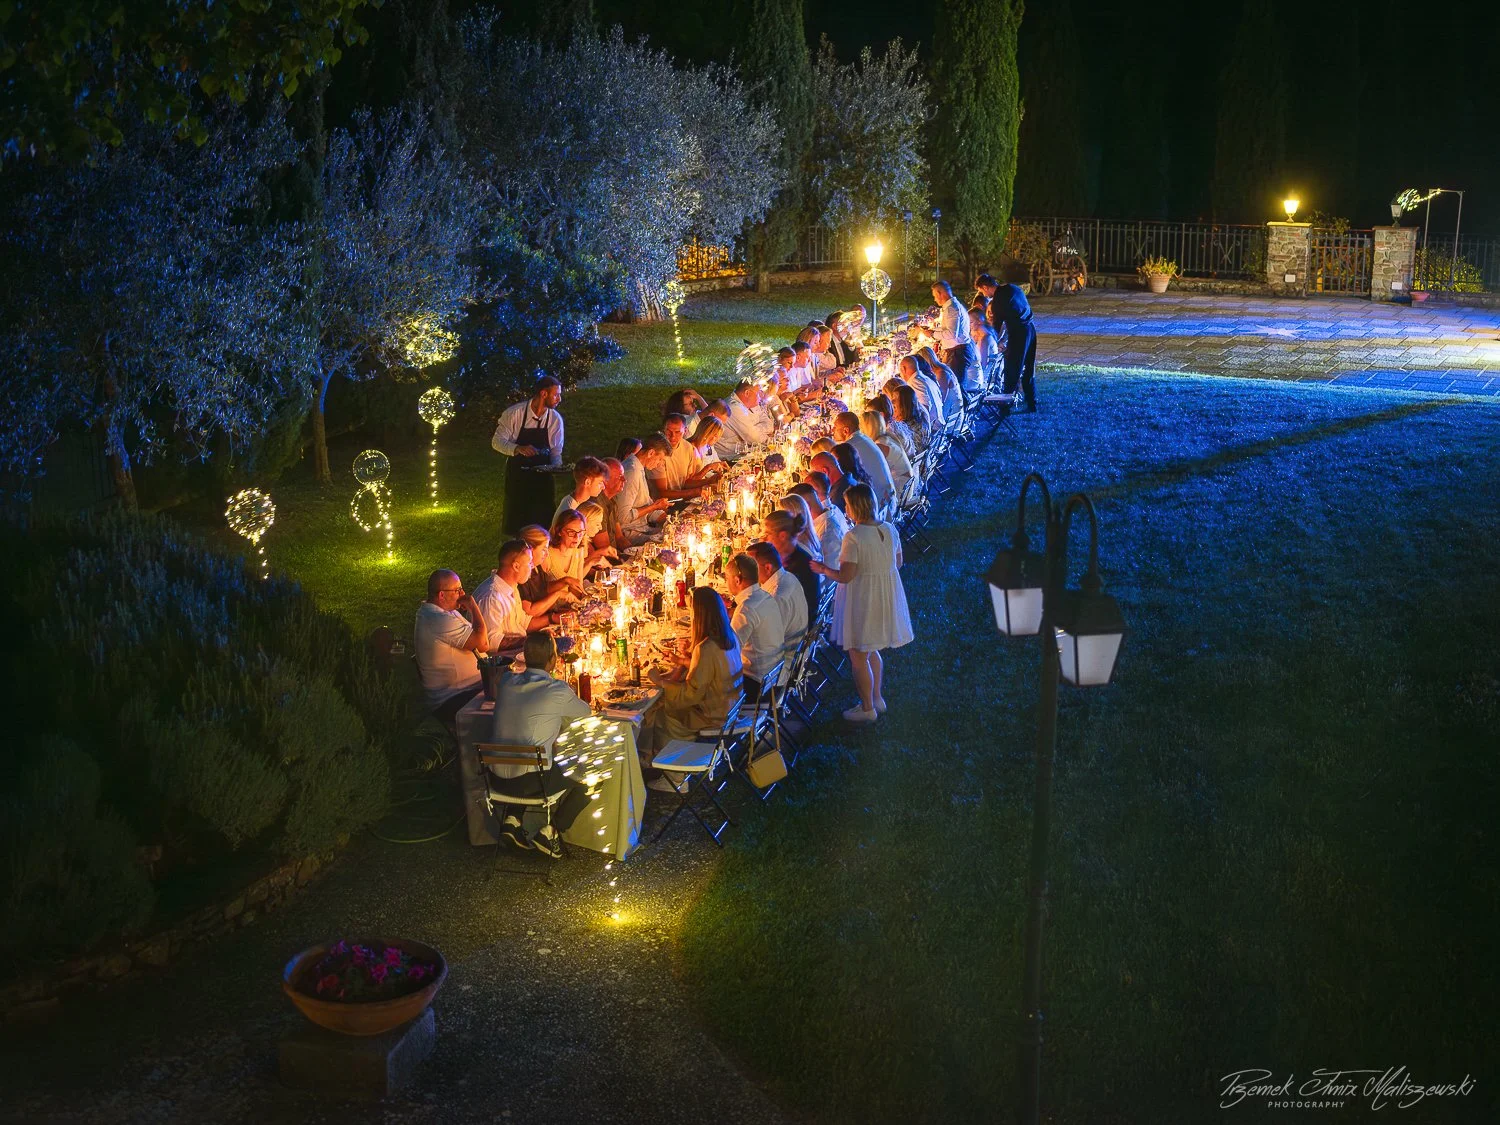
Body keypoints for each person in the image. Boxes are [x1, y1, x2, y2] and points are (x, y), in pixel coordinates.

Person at [809, 483, 913, 722]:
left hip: (863, 600)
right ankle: (877, 698)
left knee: (858, 655)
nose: (845, 509)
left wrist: (823, 569)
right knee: (871, 647)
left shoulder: (853, 537)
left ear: (856, 507)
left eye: (847, 505)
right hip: (884, 597)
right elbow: (898, 563)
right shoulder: (889, 528)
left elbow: (845, 576)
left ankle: (867, 708)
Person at [487, 632, 594, 858]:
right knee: (593, 771)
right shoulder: (557, 690)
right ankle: (551, 832)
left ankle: (512, 821)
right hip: (533, 784)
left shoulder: (506, 681)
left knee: (528, 755)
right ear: (553, 660)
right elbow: (585, 713)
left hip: (495, 779)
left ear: (524, 658)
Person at [644, 586, 744, 756]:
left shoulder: (706, 648)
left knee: (658, 709)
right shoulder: (729, 634)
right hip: (730, 706)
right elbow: (712, 671)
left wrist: (660, 681)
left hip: (713, 716)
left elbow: (691, 694)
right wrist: (683, 660)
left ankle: (670, 764)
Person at [492, 375, 565, 533]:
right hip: (518, 476)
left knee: (543, 522)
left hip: (543, 479)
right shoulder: (514, 414)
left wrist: (557, 467)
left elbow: (556, 451)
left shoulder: (555, 419)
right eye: (556, 395)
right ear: (543, 394)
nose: (559, 399)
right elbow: (497, 442)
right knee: (518, 522)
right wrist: (517, 448)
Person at [415, 569, 489, 723]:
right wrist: (473, 607)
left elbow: (476, 637)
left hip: (471, 687)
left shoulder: (447, 612)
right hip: (454, 697)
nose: (463, 594)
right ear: (441, 595)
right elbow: (483, 644)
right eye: (457, 590)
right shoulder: (437, 619)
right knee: (510, 698)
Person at [725, 552, 784, 697]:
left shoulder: (746, 609)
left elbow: (729, 653)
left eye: (726, 578)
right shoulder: (765, 596)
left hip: (756, 684)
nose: (726, 582)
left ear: (737, 580)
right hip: (774, 675)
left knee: (705, 682)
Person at [981, 275, 1038, 411]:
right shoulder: (1013, 288)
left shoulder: (998, 301)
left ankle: (1005, 406)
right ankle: (1032, 402)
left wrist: (990, 341)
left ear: (985, 287)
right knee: (1028, 368)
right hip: (1031, 328)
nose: (984, 295)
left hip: (1018, 334)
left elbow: (995, 327)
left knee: (1012, 369)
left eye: (982, 291)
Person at [472, 539, 534, 652]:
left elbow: (523, 623)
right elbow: (491, 641)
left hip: (519, 650)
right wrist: (533, 641)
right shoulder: (492, 597)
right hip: (504, 658)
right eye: (529, 563)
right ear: (516, 566)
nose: (533, 567)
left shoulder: (511, 586)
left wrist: (554, 619)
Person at [747, 540, 808, 655]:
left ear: (768, 568)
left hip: (784, 658)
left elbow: (766, 643)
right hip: (796, 646)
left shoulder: (776, 598)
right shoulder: (788, 576)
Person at [832, 410, 896, 517]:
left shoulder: (849, 448)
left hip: (877, 507)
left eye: (835, 428)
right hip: (888, 498)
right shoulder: (865, 438)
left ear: (846, 431)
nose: (832, 430)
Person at [765, 508, 823, 615]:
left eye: (768, 534)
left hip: (798, 620)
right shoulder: (789, 553)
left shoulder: (800, 566)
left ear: (782, 536)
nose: (765, 539)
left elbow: (779, 604)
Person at [650, 413, 718, 500]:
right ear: (663, 430)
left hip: (682, 498)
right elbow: (662, 493)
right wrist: (694, 492)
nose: (673, 437)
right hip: (662, 504)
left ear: (685, 431)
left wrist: (709, 480)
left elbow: (687, 483)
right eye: (668, 432)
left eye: (677, 432)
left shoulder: (688, 447)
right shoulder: (657, 452)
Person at [517, 524, 577, 620]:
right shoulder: (522, 575)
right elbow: (529, 612)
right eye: (543, 549)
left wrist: (565, 581)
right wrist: (557, 594)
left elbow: (544, 588)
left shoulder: (537, 566)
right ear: (530, 549)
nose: (546, 554)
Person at [616, 437, 671, 542]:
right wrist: (653, 507)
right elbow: (623, 517)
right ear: (651, 453)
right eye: (660, 459)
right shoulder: (632, 471)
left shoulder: (639, 468)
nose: (659, 464)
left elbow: (646, 506)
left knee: (677, 532)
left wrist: (670, 519)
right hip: (631, 533)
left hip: (644, 528)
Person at [791, 479, 850, 567]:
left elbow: (833, 569)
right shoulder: (827, 515)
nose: (793, 517)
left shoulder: (826, 531)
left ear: (806, 507)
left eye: (793, 511)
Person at [544, 508, 611, 585]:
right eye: (571, 532)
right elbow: (538, 590)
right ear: (559, 531)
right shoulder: (547, 555)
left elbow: (579, 585)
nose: (577, 537)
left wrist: (591, 562)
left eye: (581, 532)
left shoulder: (578, 551)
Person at [930, 280, 976, 389]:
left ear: (940, 293)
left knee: (957, 386)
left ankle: (962, 401)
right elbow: (949, 328)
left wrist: (932, 334)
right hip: (958, 351)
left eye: (935, 296)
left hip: (958, 353)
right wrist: (932, 330)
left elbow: (951, 333)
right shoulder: (953, 306)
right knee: (956, 384)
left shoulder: (952, 308)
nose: (935, 299)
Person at [861, 409, 913, 503]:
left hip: (900, 492)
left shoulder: (880, 446)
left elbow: (873, 472)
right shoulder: (886, 438)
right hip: (906, 486)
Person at [719, 380, 775, 460]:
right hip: (732, 459)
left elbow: (769, 424)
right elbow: (754, 438)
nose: (760, 396)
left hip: (748, 452)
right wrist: (770, 440)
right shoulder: (733, 407)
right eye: (758, 393)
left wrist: (755, 428)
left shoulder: (752, 403)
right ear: (747, 393)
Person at [917, 345, 965, 423]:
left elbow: (940, 399)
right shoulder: (941, 369)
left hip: (951, 419)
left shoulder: (941, 374)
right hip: (951, 413)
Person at [554, 455, 606, 525]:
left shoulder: (579, 503)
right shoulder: (570, 511)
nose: (603, 487)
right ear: (587, 482)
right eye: (600, 482)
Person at [900, 355, 946, 427]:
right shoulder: (926, 378)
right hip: (939, 425)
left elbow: (925, 407)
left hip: (933, 428)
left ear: (903, 369)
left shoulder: (915, 382)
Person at [867, 392, 915, 460]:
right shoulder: (897, 424)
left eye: (868, 416)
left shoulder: (886, 435)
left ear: (881, 415)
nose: (867, 419)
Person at [891, 382, 933, 457]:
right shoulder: (920, 417)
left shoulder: (905, 428)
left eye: (895, 399)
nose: (892, 402)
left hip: (913, 462)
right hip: (922, 460)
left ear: (904, 404)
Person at [969, 315, 1002, 392]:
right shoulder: (988, 336)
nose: (969, 325)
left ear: (979, 321)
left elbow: (982, 365)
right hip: (987, 377)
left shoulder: (984, 340)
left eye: (971, 322)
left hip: (982, 380)